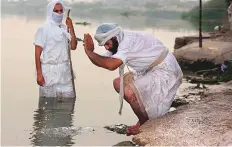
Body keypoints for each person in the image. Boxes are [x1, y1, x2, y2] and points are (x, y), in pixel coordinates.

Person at [83, 23, 183, 135]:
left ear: (114, 38)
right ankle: (144, 121)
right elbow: (104, 60)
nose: (106, 47)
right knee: (118, 83)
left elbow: (110, 65)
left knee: (129, 92)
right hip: (152, 69)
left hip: (166, 71)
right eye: (104, 46)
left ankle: (144, 124)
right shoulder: (118, 40)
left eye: (107, 44)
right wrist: (91, 53)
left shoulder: (127, 42)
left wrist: (89, 52)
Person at [34, 0, 77, 98]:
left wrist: (71, 28)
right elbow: (37, 54)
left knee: (68, 101)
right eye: (56, 11)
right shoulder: (43, 29)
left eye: (61, 11)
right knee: (47, 105)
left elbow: (73, 46)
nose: (59, 13)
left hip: (64, 71)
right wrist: (39, 74)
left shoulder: (65, 28)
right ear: (50, 12)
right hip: (48, 72)